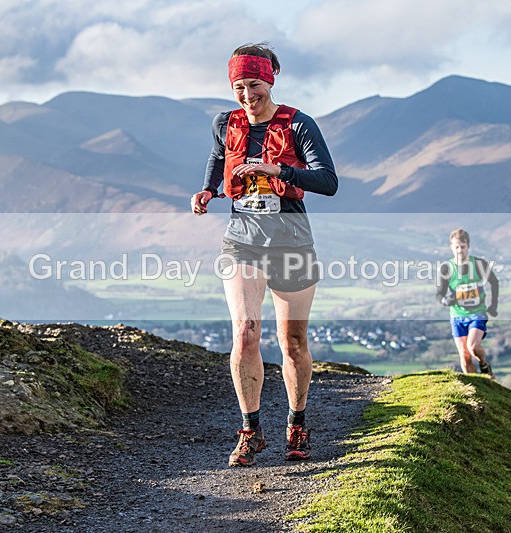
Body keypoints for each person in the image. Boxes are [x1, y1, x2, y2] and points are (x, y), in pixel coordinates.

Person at [191, 43, 338, 466]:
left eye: (254, 84)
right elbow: (218, 157)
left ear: (269, 81)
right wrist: (208, 190)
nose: (247, 94)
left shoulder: (299, 124)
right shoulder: (225, 123)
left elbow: (328, 182)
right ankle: (250, 431)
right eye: (238, 86)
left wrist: (279, 170)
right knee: (245, 333)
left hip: (292, 241)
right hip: (242, 240)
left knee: (293, 343)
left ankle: (297, 422)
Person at [436, 228, 499, 377]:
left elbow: (494, 282)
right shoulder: (446, 268)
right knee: (464, 358)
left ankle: (484, 365)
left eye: (462, 247)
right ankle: (476, 386)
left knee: (473, 347)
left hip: (477, 313)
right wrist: (445, 301)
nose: (459, 250)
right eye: (456, 247)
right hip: (457, 316)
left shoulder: (478, 264)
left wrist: (493, 305)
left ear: (468, 246)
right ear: (451, 247)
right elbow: (439, 294)